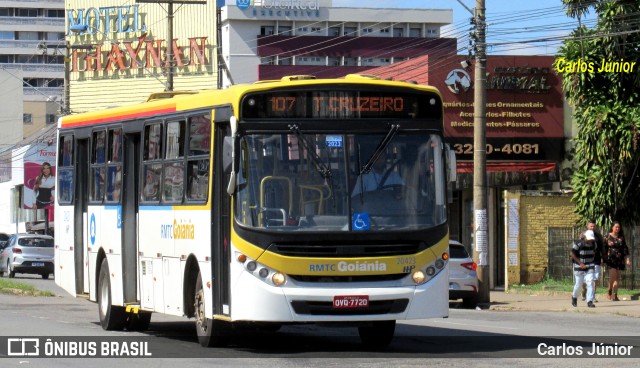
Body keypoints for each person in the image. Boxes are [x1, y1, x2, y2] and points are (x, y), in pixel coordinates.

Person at [605, 221, 631, 301]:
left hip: (620, 260)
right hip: (611, 260)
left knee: (617, 278)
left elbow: (625, 249)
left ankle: (615, 295)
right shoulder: (607, 236)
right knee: (612, 275)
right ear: (612, 227)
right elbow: (604, 248)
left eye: (619, 227)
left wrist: (627, 260)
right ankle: (609, 290)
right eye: (616, 227)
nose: (617, 228)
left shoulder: (621, 237)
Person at [571, 229, 597, 308]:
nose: (590, 241)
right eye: (589, 239)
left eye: (591, 239)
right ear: (585, 237)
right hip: (579, 266)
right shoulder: (578, 243)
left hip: (590, 266)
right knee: (578, 284)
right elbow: (572, 254)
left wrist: (591, 262)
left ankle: (590, 301)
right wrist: (580, 263)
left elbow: (594, 253)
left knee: (590, 283)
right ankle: (574, 297)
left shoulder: (594, 244)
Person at [580, 220, 605, 302]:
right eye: (591, 226)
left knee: (595, 278)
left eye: (594, 226)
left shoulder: (598, 236)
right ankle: (584, 291)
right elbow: (579, 246)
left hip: (596, 259)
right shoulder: (583, 235)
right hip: (586, 259)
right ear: (587, 226)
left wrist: (603, 259)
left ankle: (592, 295)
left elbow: (602, 248)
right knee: (585, 279)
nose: (592, 228)